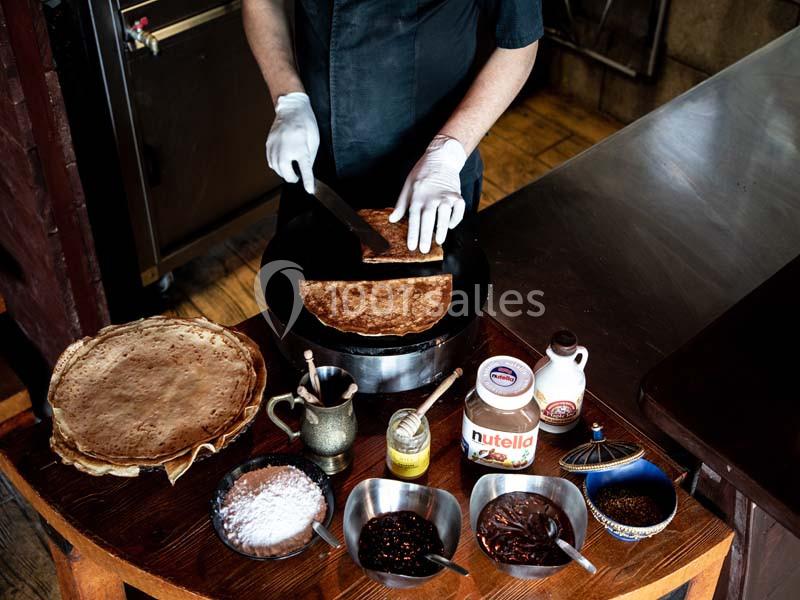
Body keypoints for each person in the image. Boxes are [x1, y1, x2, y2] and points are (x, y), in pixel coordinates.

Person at [243, 0, 542, 253]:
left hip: (429, 183)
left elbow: (519, 46)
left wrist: (446, 152)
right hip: (315, 169)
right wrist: (288, 97)